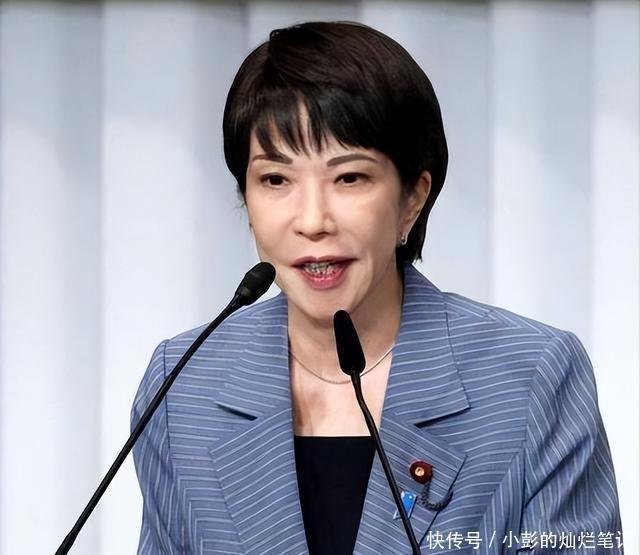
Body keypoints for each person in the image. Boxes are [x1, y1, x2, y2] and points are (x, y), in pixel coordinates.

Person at [131, 21, 623, 555]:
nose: (312, 221)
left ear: (413, 197)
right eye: (275, 179)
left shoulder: (531, 378)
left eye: (349, 178)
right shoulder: (182, 386)